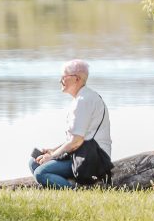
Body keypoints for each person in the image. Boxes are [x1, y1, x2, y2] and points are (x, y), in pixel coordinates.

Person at [29, 59, 112, 189]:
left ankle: (75, 192)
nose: (60, 80)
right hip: (80, 154)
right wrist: (53, 150)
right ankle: (60, 186)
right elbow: (76, 139)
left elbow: (76, 141)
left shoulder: (84, 100)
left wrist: (52, 157)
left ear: (77, 79)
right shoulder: (81, 98)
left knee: (41, 172)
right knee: (34, 162)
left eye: (64, 77)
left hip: (93, 159)